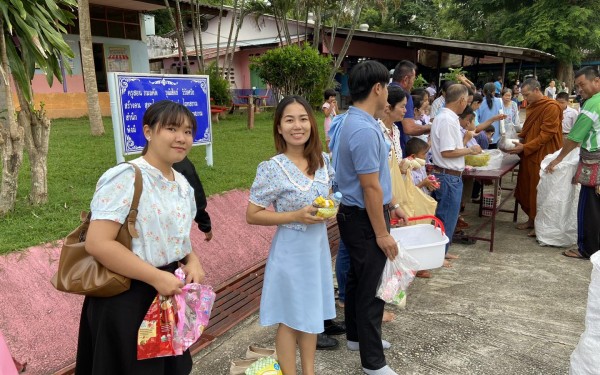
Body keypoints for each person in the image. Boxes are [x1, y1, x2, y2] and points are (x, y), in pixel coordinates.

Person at [75, 100, 205, 375]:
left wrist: (192, 260)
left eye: (188, 131)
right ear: (148, 131)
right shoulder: (126, 177)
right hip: (126, 296)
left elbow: (175, 237)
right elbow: (98, 243)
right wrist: (156, 277)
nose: (182, 138)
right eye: (171, 128)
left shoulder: (181, 184)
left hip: (167, 295)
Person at [246, 96, 337, 374]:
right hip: (290, 251)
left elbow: (329, 197)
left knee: (311, 315)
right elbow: (252, 214)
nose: (297, 125)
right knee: (290, 319)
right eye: (289, 120)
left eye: (303, 118)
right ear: (279, 128)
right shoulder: (273, 167)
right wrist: (295, 216)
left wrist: (330, 208)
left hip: (317, 249)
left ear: (311, 122)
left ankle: (308, 371)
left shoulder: (323, 160)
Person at [335, 60, 408, 375]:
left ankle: (355, 336)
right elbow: (369, 186)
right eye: (386, 89)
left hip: (354, 215)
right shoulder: (364, 129)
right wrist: (382, 232)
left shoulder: (348, 120)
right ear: (378, 88)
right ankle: (373, 362)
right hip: (365, 218)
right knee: (374, 286)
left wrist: (390, 207)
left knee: (356, 280)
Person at [546, 66, 600, 259]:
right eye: (577, 86)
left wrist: (557, 159)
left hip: (595, 162)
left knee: (590, 207)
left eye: (582, 84)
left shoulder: (593, 103)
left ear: (596, 81)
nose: (579, 90)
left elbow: (575, 138)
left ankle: (587, 248)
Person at [430, 84, 482, 265]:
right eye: (466, 100)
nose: (466, 104)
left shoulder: (447, 117)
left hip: (451, 175)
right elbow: (447, 151)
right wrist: (470, 150)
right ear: (461, 100)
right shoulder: (447, 119)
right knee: (445, 217)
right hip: (447, 175)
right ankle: (437, 255)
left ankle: (442, 251)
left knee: (449, 217)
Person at [507, 78, 563, 237]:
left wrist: (525, 147)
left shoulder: (552, 107)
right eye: (523, 96)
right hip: (529, 153)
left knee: (539, 190)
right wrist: (516, 140)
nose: (525, 99)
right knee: (527, 187)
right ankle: (531, 220)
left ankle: (540, 225)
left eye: (527, 95)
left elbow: (546, 134)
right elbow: (528, 129)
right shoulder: (534, 106)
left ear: (537, 90)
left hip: (544, 154)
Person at [390, 60, 430, 154]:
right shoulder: (404, 95)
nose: (413, 83)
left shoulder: (388, 90)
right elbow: (409, 128)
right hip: (398, 147)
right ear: (406, 79)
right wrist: (430, 127)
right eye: (413, 79)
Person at [173, 157, 213, 242]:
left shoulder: (138, 168)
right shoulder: (180, 162)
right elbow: (196, 197)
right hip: (172, 231)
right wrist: (205, 225)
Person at [476, 82, 504, 149]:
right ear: (494, 92)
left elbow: (476, 120)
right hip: (495, 135)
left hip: (482, 135)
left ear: (483, 92)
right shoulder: (499, 101)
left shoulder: (479, 103)